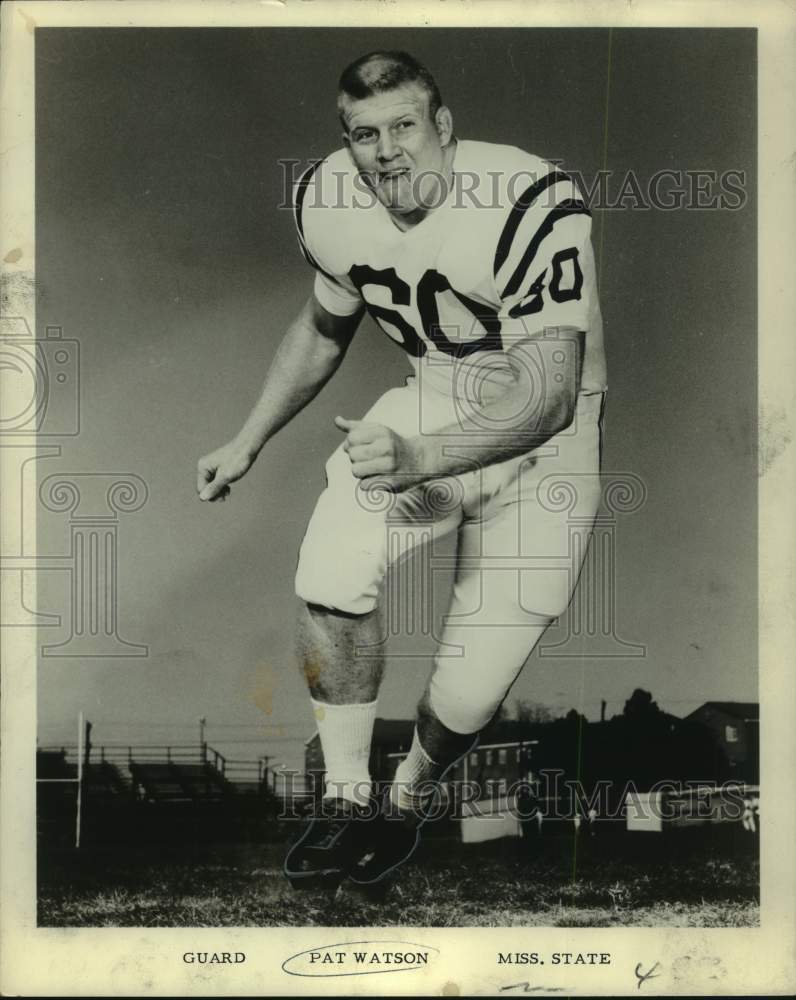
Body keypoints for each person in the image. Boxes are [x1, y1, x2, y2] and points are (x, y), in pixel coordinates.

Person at [196, 50, 607, 889]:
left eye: (405, 127)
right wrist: (250, 437)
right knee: (329, 562)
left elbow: (550, 397)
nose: (386, 152)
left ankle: (404, 799)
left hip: (547, 439)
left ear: (444, 129)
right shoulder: (332, 198)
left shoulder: (526, 198)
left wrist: (419, 458)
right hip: (436, 393)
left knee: (468, 695)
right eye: (364, 134)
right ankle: (347, 801)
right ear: (345, 141)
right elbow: (323, 325)